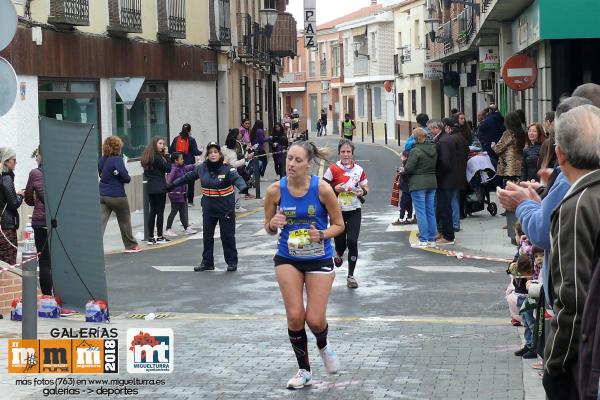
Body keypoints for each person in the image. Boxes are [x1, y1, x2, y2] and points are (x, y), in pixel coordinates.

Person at [263, 141, 344, 389]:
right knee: (296, 316)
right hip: (288, 257)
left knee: (315, 320)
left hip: (319, 257)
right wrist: (273, 224)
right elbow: (267, 227)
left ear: (309, 163)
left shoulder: (323, 190)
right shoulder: (275, 191)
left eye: (298, 160)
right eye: (289, 159)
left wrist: (321, 234)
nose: (291, 164)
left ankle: (323, 345)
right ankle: (304, 370)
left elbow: (339, 225)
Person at [540, 105, 600, 400]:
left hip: (587, 363)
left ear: (560, 154)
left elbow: (573, 297)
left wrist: (554, 364)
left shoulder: (577, 206)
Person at [169, 142, 248, 272]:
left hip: (225, 209)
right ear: (207, 155)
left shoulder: (227, 168)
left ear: (219, 154)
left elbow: (237, 178)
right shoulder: (202, 168)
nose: (213, 154)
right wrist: (172, 184)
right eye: (210, 152)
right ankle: (207, 262)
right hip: (209, 209)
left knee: (227, 237)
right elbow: (188, 177)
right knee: (207, 237)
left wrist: (243, 186)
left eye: (215, 152)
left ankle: (232, 262)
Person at [323, 140, 368, 289]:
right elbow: (322, 188)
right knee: (340, 242)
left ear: (352, 153)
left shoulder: (359, 169)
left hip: (355, 209)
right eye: (343, 151)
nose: (346, 154)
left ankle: (351, 276)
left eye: (348, 152)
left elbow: (365, 186)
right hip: (337, 211)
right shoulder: (333, 169)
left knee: (353, 241)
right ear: (339, 153)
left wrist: (363, 191)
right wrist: (335, 188)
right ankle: (339, 253)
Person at [98, 136, 141, 253]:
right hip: (117, 195)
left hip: (102, 195)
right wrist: (120, 176)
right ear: (117, 148)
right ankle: (131, 245)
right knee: (124, 220)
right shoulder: (117, 159)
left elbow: (101, 174)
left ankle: (93, 246)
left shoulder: (102, 159)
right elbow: (126, 177)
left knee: (100, 222)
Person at [25, 147, 53, 294]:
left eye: (36, 155)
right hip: (57, 222)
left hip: (40, 222)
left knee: (44, 261)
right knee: (56, 260)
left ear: (41, 155)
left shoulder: (35, 173)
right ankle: (60, 297)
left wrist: (35, 200)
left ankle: (47, 296)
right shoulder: (57, 171)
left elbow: (28, 198)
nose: (36, 158)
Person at [404, 128, 437, 247]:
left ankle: (423, 239)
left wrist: (403, 167)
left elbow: (409, 168)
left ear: (416, 138)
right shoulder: (434, 148)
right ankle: (432, 239)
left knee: (421, 212)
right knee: (430, 211)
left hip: (418, 184)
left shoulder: (415, 151)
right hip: (432, 182)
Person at [429, 119, 456, 245]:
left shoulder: (443, 141)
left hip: (445, 180)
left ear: (436, 128)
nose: (429, 132)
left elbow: (444, 163)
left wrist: (437, 175)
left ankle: (448, 236)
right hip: (446, 180)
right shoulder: (443, 139)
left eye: (430, 129)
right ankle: (442, 232)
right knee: (441, 208)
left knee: (445, 208)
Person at [141, 136, 172, 245]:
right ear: (155, 144)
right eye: (160, 143)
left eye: (163, 144)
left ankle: (150, 237)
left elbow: (146, 173)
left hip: (151, 187)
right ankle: (159, 236)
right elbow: (168, 168)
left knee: (152, 212)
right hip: (160, 187)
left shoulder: (148, 157)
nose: (162, 146)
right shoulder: (157, 158)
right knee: (160, 212)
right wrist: (167, 155)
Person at [169, 123, 202, 206]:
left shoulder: (176, 139)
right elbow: (195, 152)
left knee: (180, 182)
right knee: (190, 182)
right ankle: (190, 201)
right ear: (190, 131)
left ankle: (180, 200)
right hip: (189, 163)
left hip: (178, 165)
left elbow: (171, 151)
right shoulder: (191, 140)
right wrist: (201, 150)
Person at [164, 152, 197, 237]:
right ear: (176, 161)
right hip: (175, 194)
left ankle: (186, 228)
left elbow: (188, 167)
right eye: (181, 159)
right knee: (174, 211)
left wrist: (196, 165)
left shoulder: (181, 167)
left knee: (183, 211)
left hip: (182, 194)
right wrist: (170, 188)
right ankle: (168, 229)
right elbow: (168, 181)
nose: (183, 160)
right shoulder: (173, 169)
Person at [0, 147, 23, 266]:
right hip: (6, 228)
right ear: (6, 161)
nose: (16, 162)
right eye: (14, 160)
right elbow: (14, 203)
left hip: (2, 226)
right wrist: (20, 195)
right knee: (8, 265)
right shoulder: (6, 179)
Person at [223, 129, 254, 213]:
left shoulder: (223, 149)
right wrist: (246, 159)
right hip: (232, 173)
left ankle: (233, 206)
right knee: (236, 190)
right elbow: (234, 164)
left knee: (231, 190)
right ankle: (236, 206)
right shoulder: (232, 153)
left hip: (224, 173)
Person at [392, 151, 414, 225]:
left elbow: (407, 176)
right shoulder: (408, 163)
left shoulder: (406, 164)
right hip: (409, 187)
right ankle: (409, 218)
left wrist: (401, 172)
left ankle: (401, 219)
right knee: (409, 204)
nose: (401, 158)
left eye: (401, 156)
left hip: (406, 188)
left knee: (403, 204)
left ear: (405, 157)